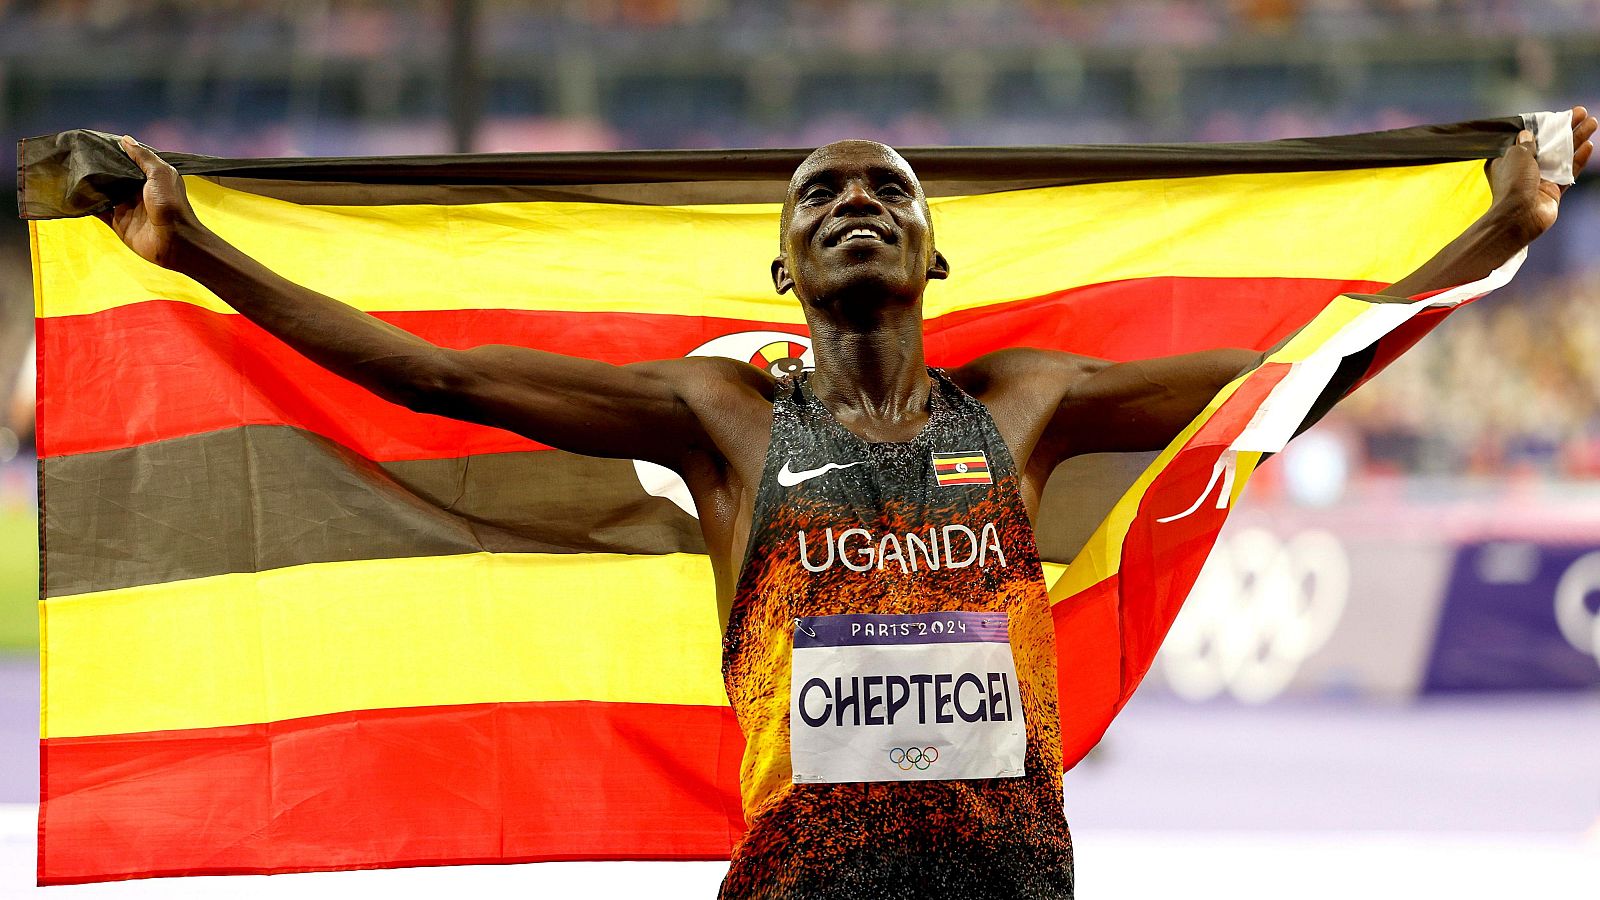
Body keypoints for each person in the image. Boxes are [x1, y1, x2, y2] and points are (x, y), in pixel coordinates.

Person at [103, 108, 1595, 899]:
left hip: (1011, 884)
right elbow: (434, 373)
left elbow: (1287, 382)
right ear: (785, 271)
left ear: (935, 257)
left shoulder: (1027, 405)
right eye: (820, 195)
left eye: (887, 187)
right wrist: (195, 250)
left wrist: (1499, 228)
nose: (856, 202)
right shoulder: (725, 419)